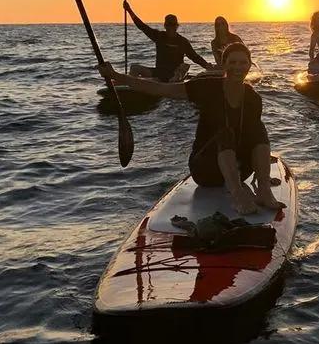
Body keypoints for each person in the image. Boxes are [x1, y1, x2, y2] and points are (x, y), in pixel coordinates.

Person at [99, 42, 284, 215]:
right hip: (205, 169)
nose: (238, 67)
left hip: (240, 169)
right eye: (233, 62)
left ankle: (264, 190)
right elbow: (160, 89)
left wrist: (262, 172)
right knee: (225, 132)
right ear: (223, 64)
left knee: (258, 127)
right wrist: (118, 76)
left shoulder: (253, 98)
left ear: (250, 65)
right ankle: (237, 195)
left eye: (243, 62)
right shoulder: (206, 87)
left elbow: (255, 140)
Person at [124, 1, 212, 81]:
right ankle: (133, 89)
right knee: (134, 68)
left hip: (174, 76)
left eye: (173, 25)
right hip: (159, 74)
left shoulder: (182, 41)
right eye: (168, 25)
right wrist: (129, 10)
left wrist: (208, 66)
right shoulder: (159, 36)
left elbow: (195, 57)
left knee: (184, 67)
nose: (171, 27)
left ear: (177, 26)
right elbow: (142, 26)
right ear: (165, 26)